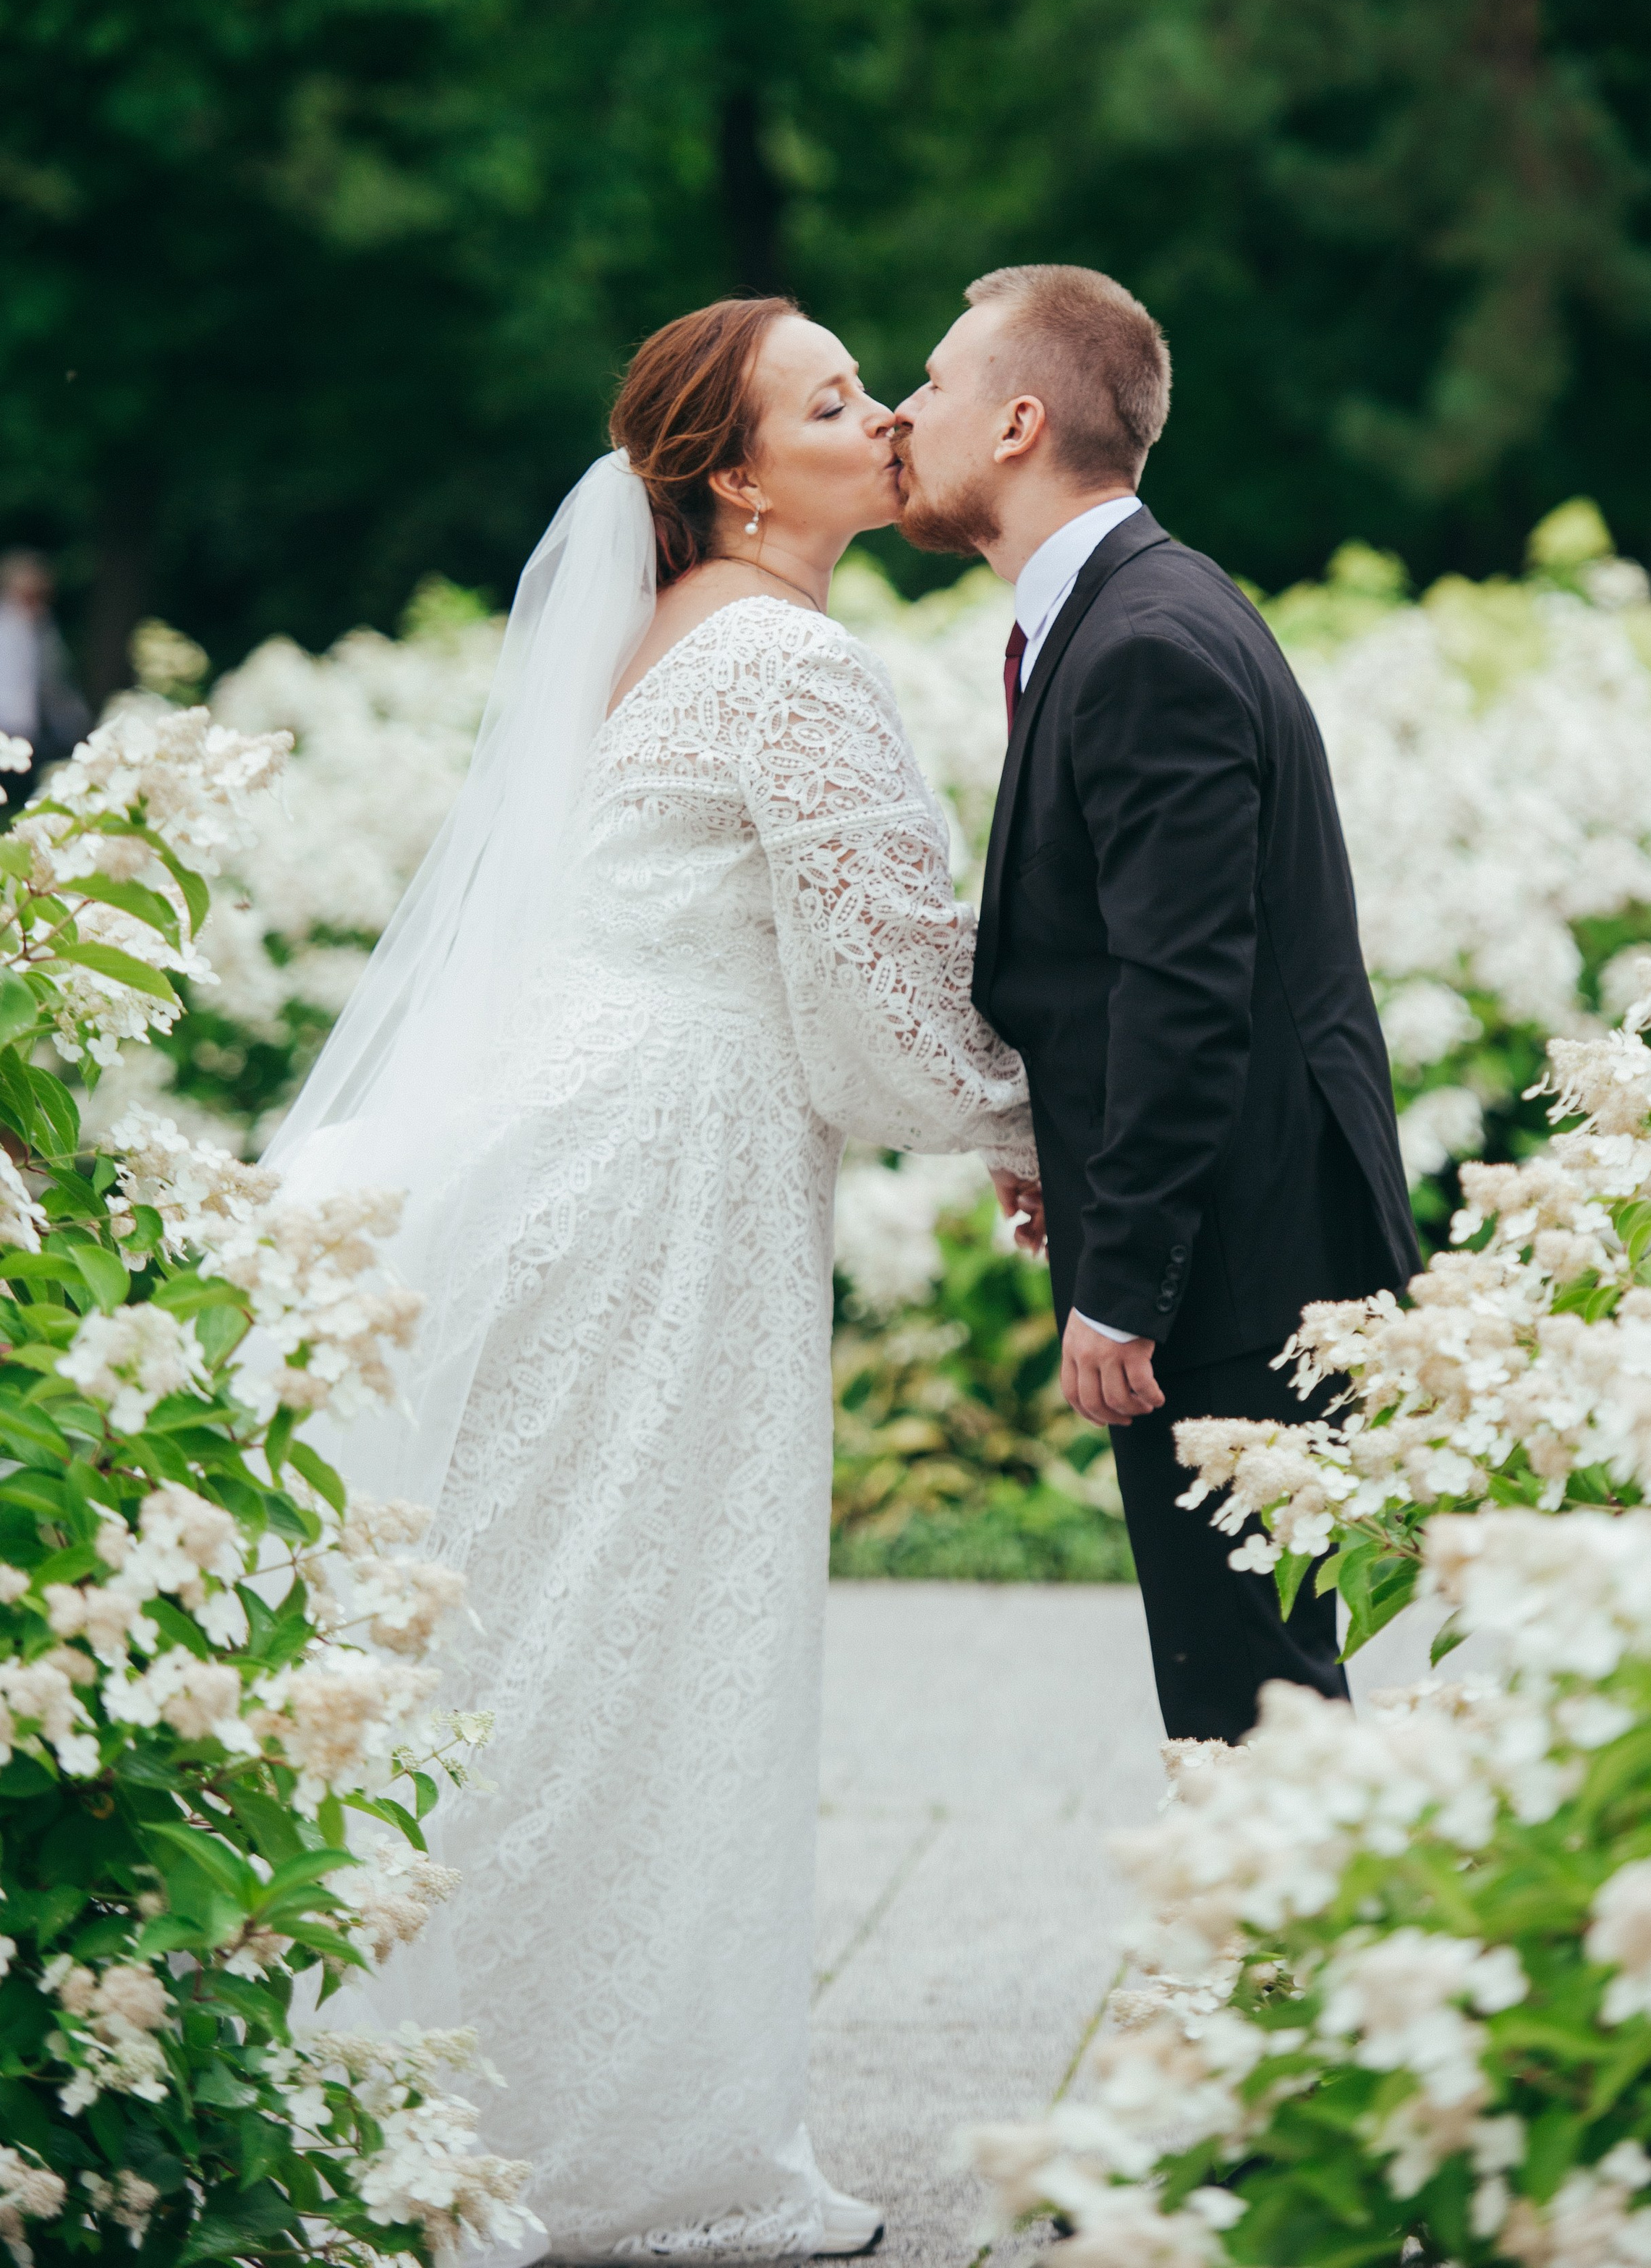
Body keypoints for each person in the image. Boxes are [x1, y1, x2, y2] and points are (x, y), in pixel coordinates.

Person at [270, 300, 1037, 2263]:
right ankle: (632, 2141)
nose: (878, 420)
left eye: (876, 384)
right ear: (727, 472)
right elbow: (881, 999)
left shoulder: (663, 637)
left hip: (568, 1135)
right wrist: (1033, 1121)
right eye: (832, 399)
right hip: (664, 1173)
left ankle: (468, 2092)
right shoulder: (790, 655)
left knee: (552, 1622)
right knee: (652, 1620)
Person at [893, 264, 1419, 1746]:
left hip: (1240, 1263)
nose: (899, 413)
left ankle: (1293, 1981)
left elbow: (1186, 999)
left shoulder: (1140, 644)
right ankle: (1283, 1971)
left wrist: (1124, 1278)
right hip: (1244, 1228)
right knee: (1250, 1671)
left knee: (1249, 1690)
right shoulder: (1128, 611)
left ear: (1015, 421)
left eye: (929, 384)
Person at [0, 550, 90, 808]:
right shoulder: (7, 624)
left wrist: (77, 720)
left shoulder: (44, 628)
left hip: (29, 729)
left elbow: (55, 680)